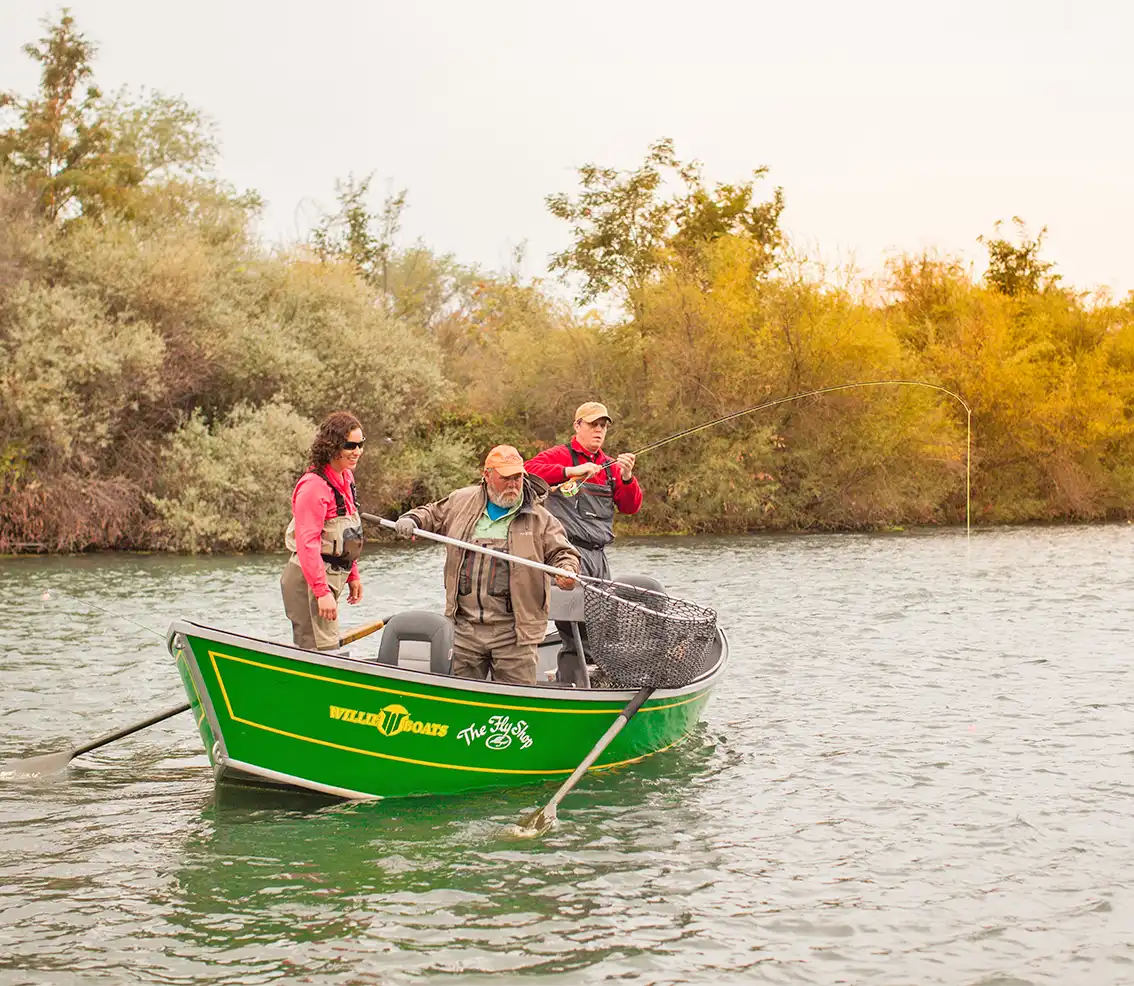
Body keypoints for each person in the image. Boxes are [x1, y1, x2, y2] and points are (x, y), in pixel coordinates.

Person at [393, 445, 580, 685]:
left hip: (515, 635)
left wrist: (568, 570)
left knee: (516, 706)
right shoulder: (461, 501)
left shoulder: (540, 519)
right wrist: (412, 519)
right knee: (460, 701)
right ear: (487, 475)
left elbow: (564, 553)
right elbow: (431, 513)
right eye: (506, 478)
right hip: (464, 630)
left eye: (518, 477)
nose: (513, 483)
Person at [524, 401, 643, 684]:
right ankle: (571, 682)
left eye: (603, 426)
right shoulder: (560, 455)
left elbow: (630, 507)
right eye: (592, 425)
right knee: (573, 625)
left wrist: (627, 478)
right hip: (567, 554)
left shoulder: (611, 466)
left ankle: (598, 679)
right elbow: (528, 471)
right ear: (578, 426)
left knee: (605, 623)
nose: (598, 431)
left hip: (599, 557)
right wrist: (570, 472)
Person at [281, 411, 366, 650]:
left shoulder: (346, 478)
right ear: (333, 445)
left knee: (326, 647)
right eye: (351, 445)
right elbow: (307, 544)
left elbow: (348, 531)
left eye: (361, 444)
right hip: (308, 582)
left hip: (332, 578)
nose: (357, 451)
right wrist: (321, 592)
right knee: (318, 651)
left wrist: (353, 574)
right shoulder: (313, 488)